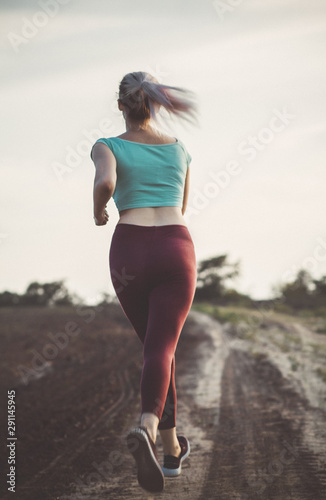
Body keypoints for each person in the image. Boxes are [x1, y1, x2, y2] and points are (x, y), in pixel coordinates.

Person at [90, 71, 198, 493]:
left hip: (130, 250)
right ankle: (154, 432)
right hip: (175, 247)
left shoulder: (107, 146)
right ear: (154, 104)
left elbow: (106, 183)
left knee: (156, 349)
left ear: (121, 106)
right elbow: (183, 206)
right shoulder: (179, 149)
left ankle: (169, 448)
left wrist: (99, 211)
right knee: (162, 349)